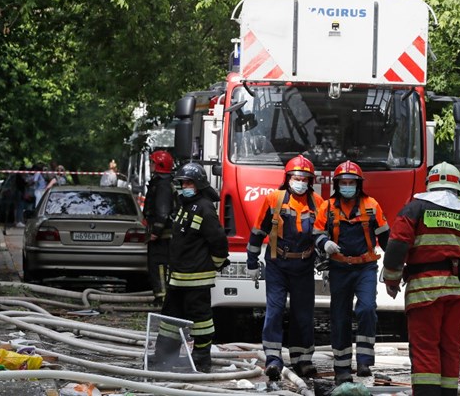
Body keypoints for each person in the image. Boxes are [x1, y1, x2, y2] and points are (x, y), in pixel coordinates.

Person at [382, 162, 460, 396]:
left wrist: (391, 280)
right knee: (451, 349)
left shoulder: (415, 208)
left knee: (425, 349)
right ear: (457, 185)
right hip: (459, 293)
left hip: (424, 291)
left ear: (429, 183)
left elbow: (397, 245)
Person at [246, 155, 323, 381]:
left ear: (310, 181)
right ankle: (273, 359)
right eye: (296, 177)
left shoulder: (318, 203)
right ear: (288, 178)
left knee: (303, 314)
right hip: (278, 264)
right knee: (275, 311)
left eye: (304, 178)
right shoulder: (274, 199)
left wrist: (328, 263)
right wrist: (252, 262)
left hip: (304, 264)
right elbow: (258, 233)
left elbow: (323, 235)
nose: (300, 181)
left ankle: (303, 359)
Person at [312, 160, 389, 385]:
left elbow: (385, 237)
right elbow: (316, 232)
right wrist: (324, 243)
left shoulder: (372, 205)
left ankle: (364, 360)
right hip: (339, 268)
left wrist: (395, 265)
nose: (347, 186)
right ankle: (342, 368)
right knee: (339, 316)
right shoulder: (328, 207)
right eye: (343, 182)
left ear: (358, 184)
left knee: (366, 309)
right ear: (337, 184)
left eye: (351, 182)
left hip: (365, 267)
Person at [151, 162, 228, 373]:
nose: (184, 185)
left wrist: (217, 262)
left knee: (201, 320)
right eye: (183, 182)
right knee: (170, 320)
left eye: (189, 182)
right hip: (177, 277)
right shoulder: (184, 205)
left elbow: (218, 240)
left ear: (199, 184)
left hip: (197, 279)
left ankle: (201, 360)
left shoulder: (205, 207)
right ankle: (164, 358)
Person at [143, 151, 176, 301]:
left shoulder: (162, 185)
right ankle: (162, 296)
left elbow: (162, 212)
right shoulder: (163, 182)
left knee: (158, 265)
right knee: (160, 264)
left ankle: (163, 298)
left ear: (159, 165)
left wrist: (155, 231)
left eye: (152, 162)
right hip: (166, 233)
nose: (150, 165)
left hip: (162, 235)